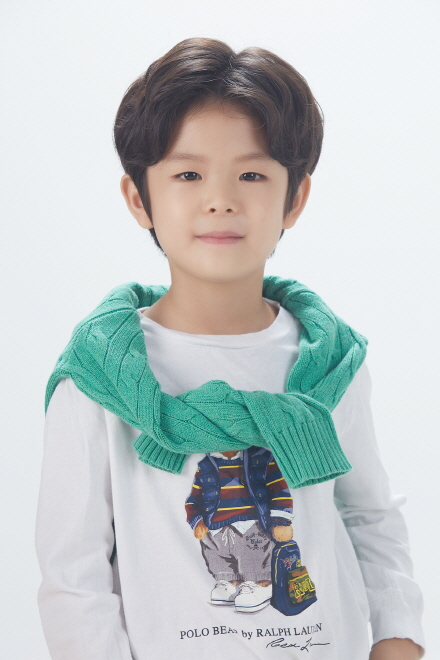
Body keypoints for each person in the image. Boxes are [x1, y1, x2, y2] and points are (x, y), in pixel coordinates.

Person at [35, 37, 425, 659]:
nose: (220, 198)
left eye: (252, 174)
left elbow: (368, 514)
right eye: (188, 174)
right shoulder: (99, 377)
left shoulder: (330, 360)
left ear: (294, 198)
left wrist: (397, 639)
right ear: (139, 199)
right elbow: (74, 571)